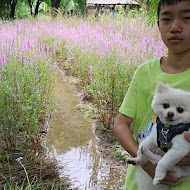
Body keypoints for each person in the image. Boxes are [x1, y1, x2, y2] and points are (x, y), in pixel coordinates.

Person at [114, 0, 190, 190]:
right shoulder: (144, 72)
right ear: (158, 24)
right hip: (141, 183)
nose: (175, 27)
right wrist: (147, 163)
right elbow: (121, 124)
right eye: (166, 19)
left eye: (187, 18)